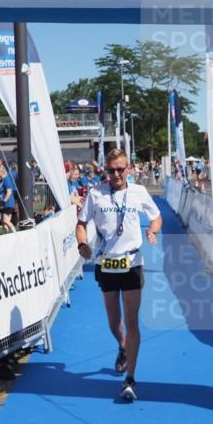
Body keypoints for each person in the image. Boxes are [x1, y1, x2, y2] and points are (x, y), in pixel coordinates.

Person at [75, 149, 162, 402]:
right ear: (105, 171)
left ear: (129, 169)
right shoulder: (95, 194)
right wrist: (82, 245)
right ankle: (122, 346)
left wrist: (153, 231)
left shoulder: (139, 193)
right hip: (106, 263)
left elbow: (156, 217)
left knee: (132, 321)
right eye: (111, 170)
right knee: (114, 322)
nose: (115, 174)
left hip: (132, 262)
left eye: (120, 169)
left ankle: (131, 379)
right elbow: (81, 224)